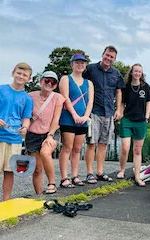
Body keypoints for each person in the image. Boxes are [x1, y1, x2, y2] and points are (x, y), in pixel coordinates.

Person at [0, 62, 33, 205]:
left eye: (24, 75)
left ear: (29, 79)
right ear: (13, 73)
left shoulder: (27, 98)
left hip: (14, 138)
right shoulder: (0, 90)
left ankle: (6, 203)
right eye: (19, 73)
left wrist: (25, 128)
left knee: (10, 171)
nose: (21, 76)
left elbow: (26, 118)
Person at [83, 45, 125, 182]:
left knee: (103, 143)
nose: (108, 58)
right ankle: (89, 173)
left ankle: (100, 172)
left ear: (114, 59)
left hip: (109, 112)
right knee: (91, 143)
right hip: (93, 111)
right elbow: (81, 84)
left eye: (111, 57)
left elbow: (119, 91)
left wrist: (118, 109)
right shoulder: (90, 69)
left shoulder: (116, 74)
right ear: (103, 55)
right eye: (107, 55)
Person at [25, 71, 65, 194]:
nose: (49, 83)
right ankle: (39, 195)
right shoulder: (30, 96)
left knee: (45, 153)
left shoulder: (58, 97)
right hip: (32, 134)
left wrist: (50, 135)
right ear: (41, 81)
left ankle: (52, 183)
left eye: (52, 82)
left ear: (56, 85)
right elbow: (24, 114)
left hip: (50, 132)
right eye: (47, 80)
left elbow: (56, 119)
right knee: (37, 169)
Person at [58, 53, 94, 187]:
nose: (80, 65)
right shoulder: (66, 79)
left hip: (83, 119)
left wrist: (85, 116)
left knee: (77, 149)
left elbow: (90, 101)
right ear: (72, 64)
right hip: (68, 118)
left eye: (82, 63)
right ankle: (64, 177)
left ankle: (75, 175)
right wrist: (74, 115)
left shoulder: (88, 83)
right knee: (67, 147)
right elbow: (65, 98)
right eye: (77, 62)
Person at [116, 64, 150, 186]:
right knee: (125, 148)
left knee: (137, 150)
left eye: (139, 72)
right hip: (127, 120)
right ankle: (122, 170)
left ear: (142, 74)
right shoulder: (126, 87)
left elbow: (148, 103)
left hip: (140, 121)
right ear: (132, 72)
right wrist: (119, 113)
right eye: (135, 71)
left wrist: (147, 117)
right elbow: (122, 103)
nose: (137, 73)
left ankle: (137, 176)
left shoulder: (145, 87)